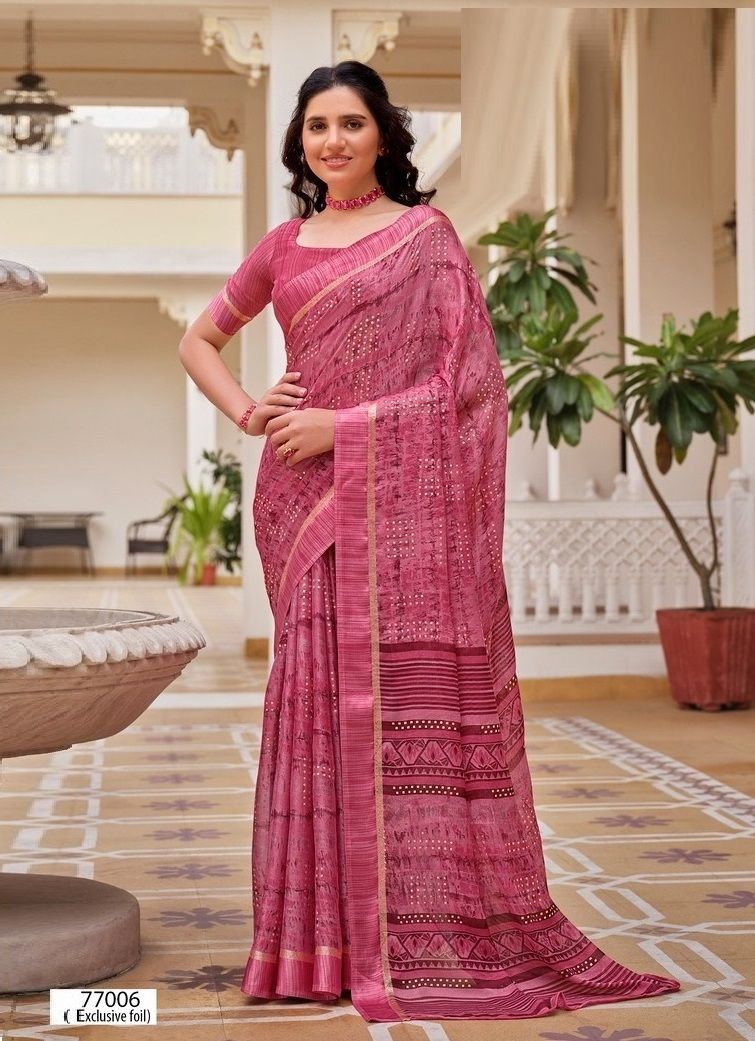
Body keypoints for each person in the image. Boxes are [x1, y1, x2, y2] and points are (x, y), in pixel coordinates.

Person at [178, 60, 679, 1024]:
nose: (332, 141)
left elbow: (467, 389)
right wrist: (249, 410)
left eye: (350, 123)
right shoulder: (282, 246)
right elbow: (197, 340)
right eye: (316, 126)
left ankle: (410, 932)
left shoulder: (425, 238)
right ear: (298, 142)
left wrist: (343, 425)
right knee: (316, 705)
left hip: (380, 499)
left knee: (402, 709)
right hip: (300, 508)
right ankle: (313, 944)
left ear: (383, 135)